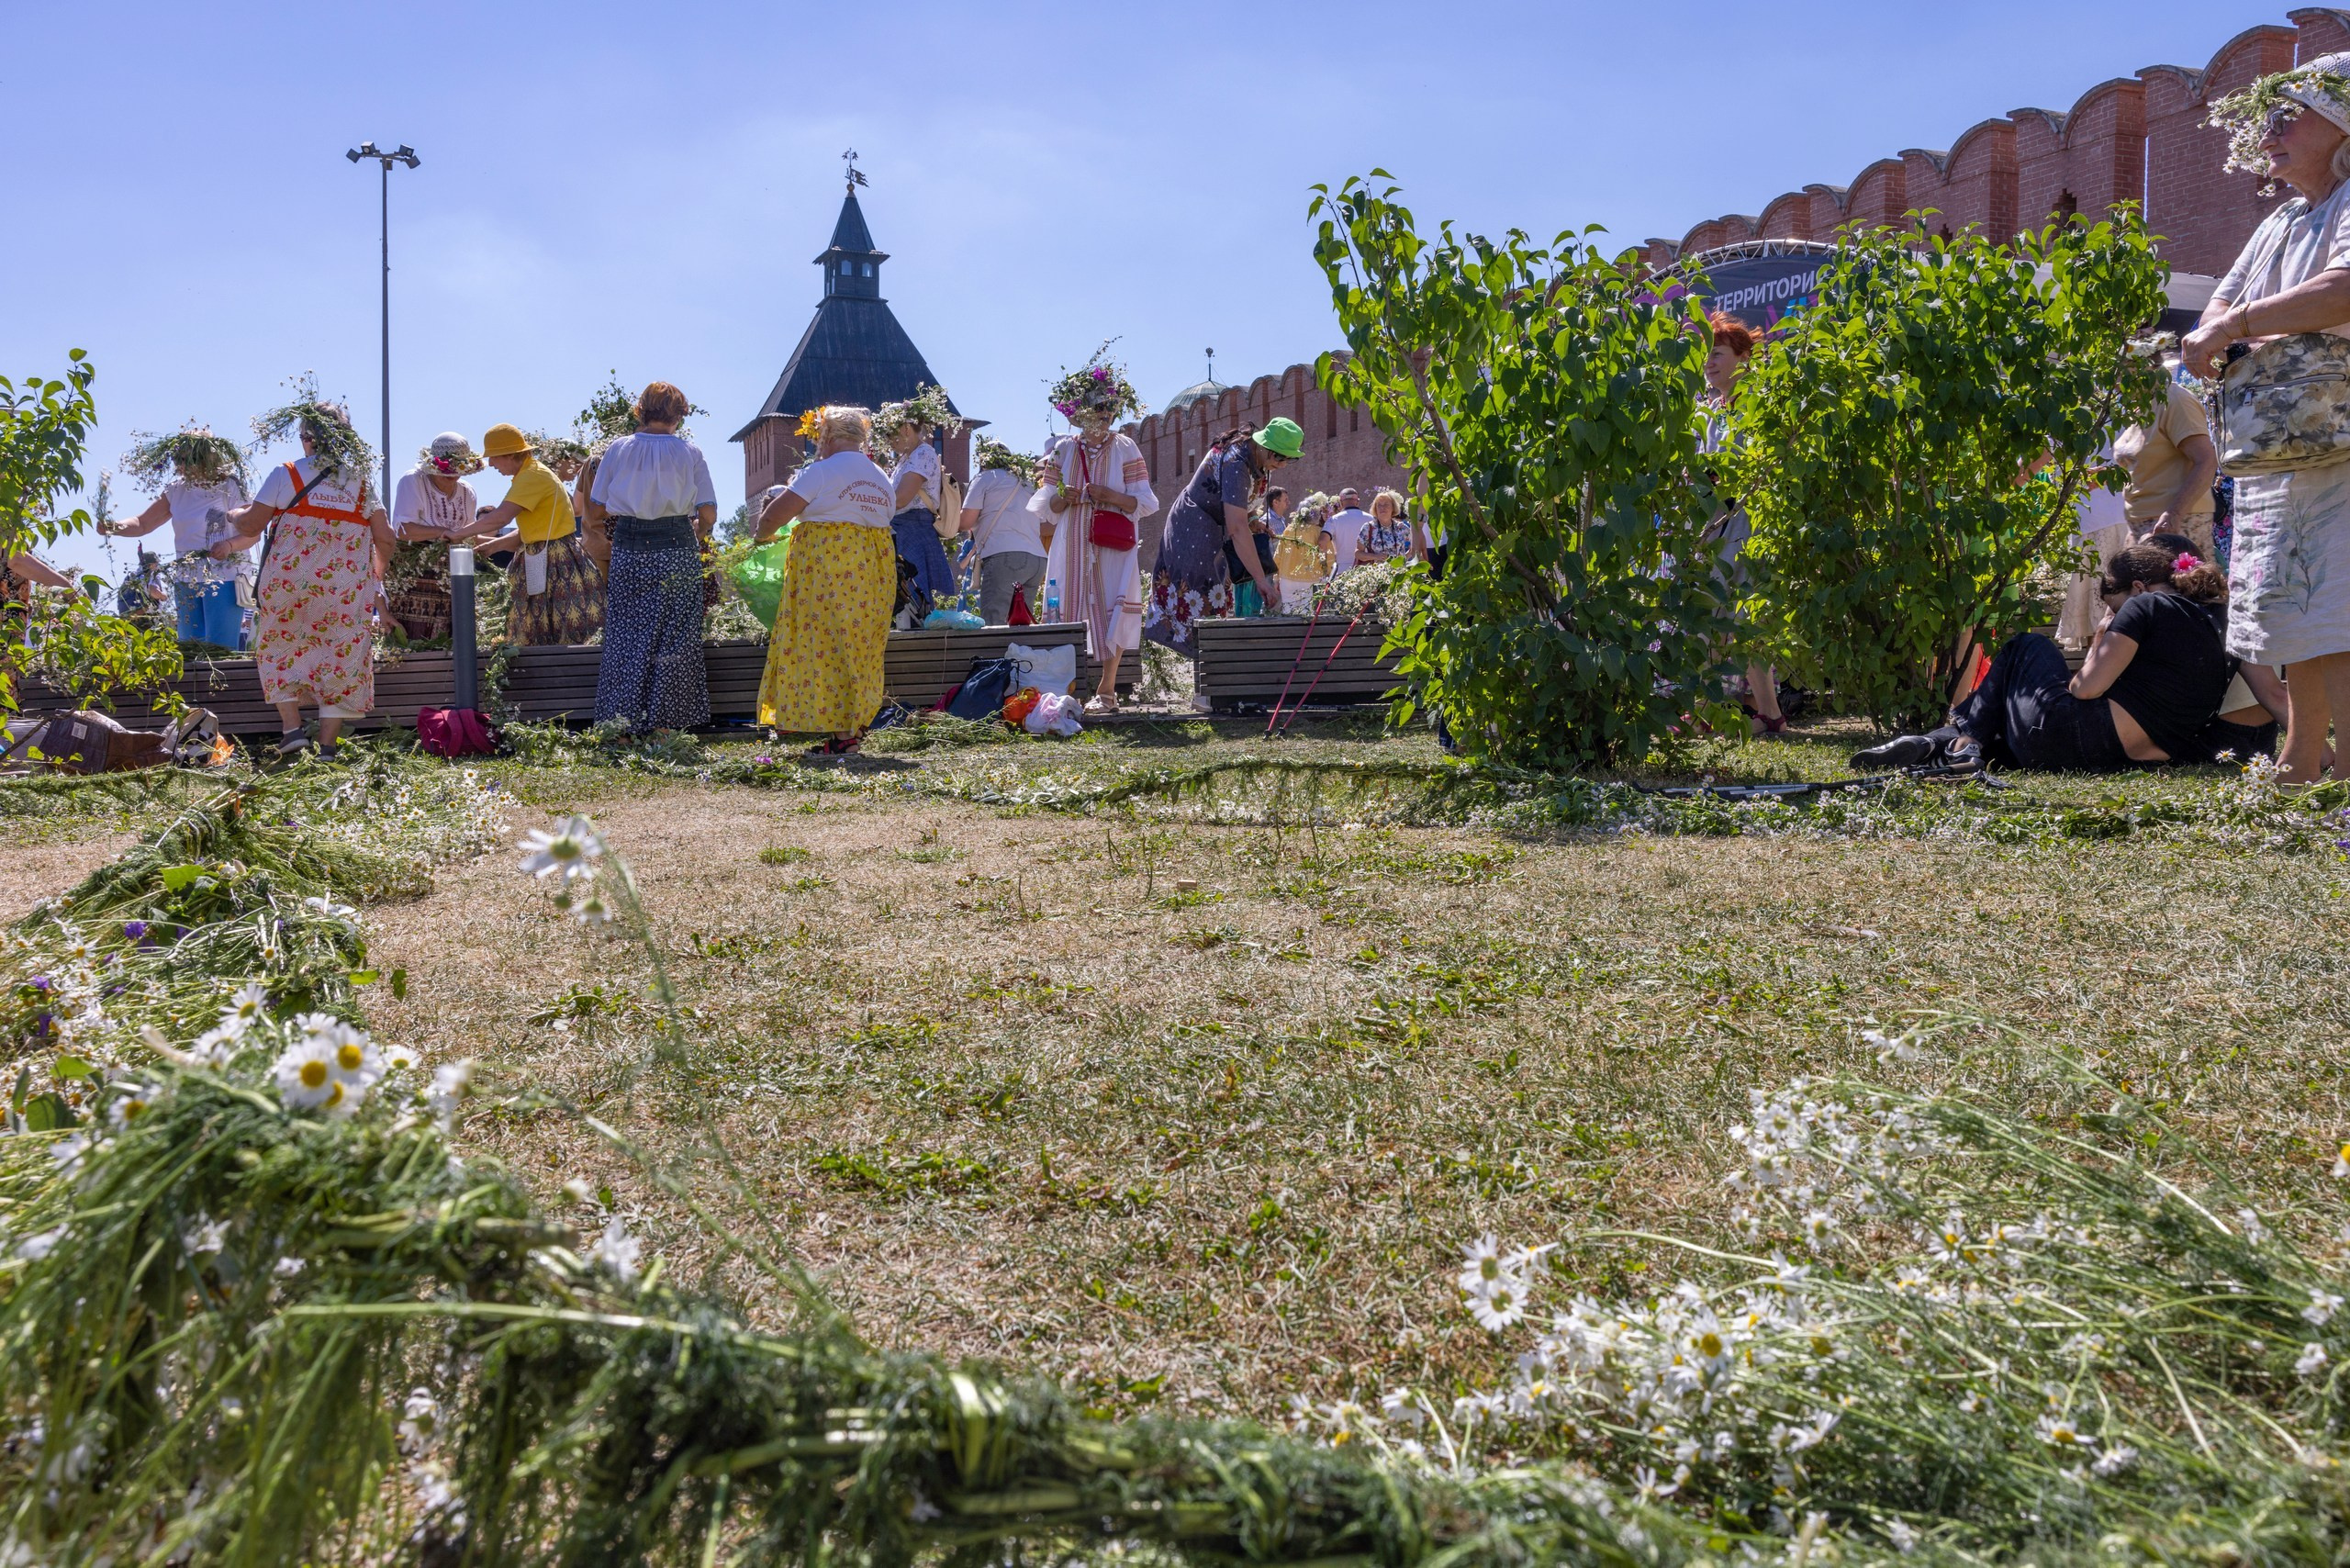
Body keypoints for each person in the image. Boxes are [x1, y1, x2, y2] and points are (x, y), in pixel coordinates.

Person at [2181, 51, 2350, 781]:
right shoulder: (2281, 219)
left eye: (2289, 116)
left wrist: (2237, 325)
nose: (2269, 132)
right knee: (2287, 602)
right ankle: (2303, 754)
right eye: (2265, 119)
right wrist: (2220, 326)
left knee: (2338, 598)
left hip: (2341, 439)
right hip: (2275, 446)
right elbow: (2222, 298)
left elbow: (2343, 288)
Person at [1853, 544, 2233, 773]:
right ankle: (1936, 744)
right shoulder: (2209, 623)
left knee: (2028, 646)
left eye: (2110, 604)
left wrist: (2103, 633)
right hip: (2126, 757)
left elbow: (2084, 690)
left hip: (2081, 738)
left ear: (2135, 588)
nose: (2111, 613)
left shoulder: (2146, 606)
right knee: (2001, 736)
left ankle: (1962, 737)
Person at [208, 405, 397, 757]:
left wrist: (235, 513)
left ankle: (293, 730)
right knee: (341, 659)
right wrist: (375, 574)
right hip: (343, 590)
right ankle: (326, 747)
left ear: (309, 438)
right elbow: (385, 538)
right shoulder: (360, 483)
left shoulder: (288, 474)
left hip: (287, 585)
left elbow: (251, 525)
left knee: (280, 650)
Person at [752, 406, 899, 754]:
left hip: (828, 570)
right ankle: (848, 730)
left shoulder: (822, 471)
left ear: (829, 436)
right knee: (859, 648)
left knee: (819, 644)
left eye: (819, 436)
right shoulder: (880, 477)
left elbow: (776, 513)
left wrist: (761, 537)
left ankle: (815, 719)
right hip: (874, 573)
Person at [586, 382, 717, 732]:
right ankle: (665, 727)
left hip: (629, 546)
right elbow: (708, 513)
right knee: (676, 636)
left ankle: (621, 727)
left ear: (640, 410)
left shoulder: (618, 449)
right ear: (679, 415)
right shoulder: (690, 452)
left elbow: (596, 508)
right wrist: (697, 535)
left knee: (626, 636)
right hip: (677, 547)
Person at [1032, 402, 1158, 714]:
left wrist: (1109, 495)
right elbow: (1047, 505)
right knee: (1067, 604)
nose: (1105, 416)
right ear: (1079, 415)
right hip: (1071, 538)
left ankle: (1107, 691)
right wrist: (1064, 498)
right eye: (1097, 410)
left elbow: (1145, 501)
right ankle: (1066, 690)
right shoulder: (1063, 449)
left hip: (1112, 542)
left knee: (1112, 604)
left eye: (1110, 411)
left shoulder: (1125, 447)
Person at [1146, 419, 1301, 668]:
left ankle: (1214, 679)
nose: (1282, 465)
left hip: (1215, 529)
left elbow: (1240, 511)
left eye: (1288, 460)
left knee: (1216, 597)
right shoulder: (1236, 463)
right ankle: (1208, 684)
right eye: (1280, 458)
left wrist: (1252, 519)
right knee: (1201, 599)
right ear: (1264, 446)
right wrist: (1261, 580)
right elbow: (1237, 528)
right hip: (1195, 526)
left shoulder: (1256, 459)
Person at [1698, 311, 1786, 736]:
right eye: (1706, 357)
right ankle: (1715, 710)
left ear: (1743, 357)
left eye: (1717, 354)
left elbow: (1763, 463)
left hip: (1750, 523)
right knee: (1713, 615)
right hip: (1717, 524)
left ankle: (1770, 714)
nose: (1710, 363)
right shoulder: (1711, 409)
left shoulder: (1757, 401)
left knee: (1746, 617)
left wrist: (1719, 476)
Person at [100, 432, 252, 648]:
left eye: (184, 459)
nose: (178, 465)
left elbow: (252, 530)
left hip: (224, 578)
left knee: (221, 650)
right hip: (186, 579)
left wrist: (230, 545)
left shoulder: (230, 486)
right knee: (189, 650)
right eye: (176, 459)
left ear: (204, 458)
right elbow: (143, 523)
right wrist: (114, 527)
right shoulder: (176, 490)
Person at [468, 424, 606, 646]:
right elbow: (530, 532)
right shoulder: (531, 473)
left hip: (556, 560)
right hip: (542, 557)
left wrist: (456, 533)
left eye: (493, 457)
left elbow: (500, 518)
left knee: (561, 627)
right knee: (535, 627)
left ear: (510, 454)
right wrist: (493, 546)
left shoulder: (532, 476)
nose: (491, 463)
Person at [2115, 375, 2219, 555]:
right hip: (2141, 525)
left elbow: (2207, 460)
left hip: (2174, 525)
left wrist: (2173, 516)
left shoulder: (2175, 399)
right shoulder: (2141, 404)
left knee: (2175, 584)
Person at [878, 404, 954, 624]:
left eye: (890, 434)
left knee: (911, 601)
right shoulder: (908, 457)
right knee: (905, 600)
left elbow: (901, 498)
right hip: (905, 529)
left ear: (905, 429)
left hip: (913, 530)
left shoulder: (923, 453)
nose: (889, 441)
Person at [959, 437, 1046, 625]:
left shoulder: (985, 478)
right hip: (1037, 558)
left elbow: (965, 522)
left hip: (1004, 556)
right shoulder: (1027, 483)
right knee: (1022, 624)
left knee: (994, 624)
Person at [1360, 488, 1417, 565]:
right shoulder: (1368, 528)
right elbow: (1358, 553)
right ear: (1375, 508)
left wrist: (1404, 559)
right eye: (1379, 505)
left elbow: (1415, 544)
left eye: (1386, 504)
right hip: (1377, 573)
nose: (1382, 507)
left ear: (1393, 508)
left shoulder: (1401, 527)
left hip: (1399, 573)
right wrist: (1375, 556)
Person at [1324, 487, 1373, 576]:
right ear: (1357, 502)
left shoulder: (1334, 520)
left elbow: (1323, 541)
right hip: (1366, 569)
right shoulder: (1371, 519)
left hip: (1342, 570)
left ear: (1340, 503)